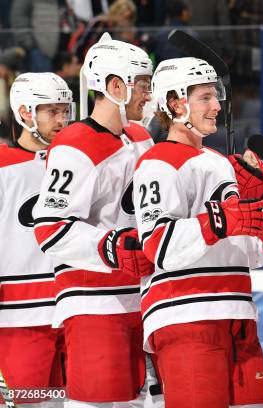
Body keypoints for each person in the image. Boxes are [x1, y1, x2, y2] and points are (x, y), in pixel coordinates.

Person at [134, 56, 263, 407]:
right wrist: (218, 222)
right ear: (175, 102)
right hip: (186, 316)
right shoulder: (157, 163)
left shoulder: (219, 162)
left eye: (216, 96)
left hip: (238, 312)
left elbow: (251, 252)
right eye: (205, 97)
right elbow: (159, 245)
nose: (217, 106)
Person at [32, 33, 156, 406]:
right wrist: (110, 245)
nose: (148, 95)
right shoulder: (75, 143)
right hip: (93, 303)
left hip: (142, 299)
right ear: (116, 87)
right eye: (143, 86)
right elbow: (49, 228)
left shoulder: (141, 136)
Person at [0, 72, 73, 406]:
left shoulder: (76, 161)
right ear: (26, 112)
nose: (61, 120)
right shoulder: (3, 167)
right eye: (51, 111)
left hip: (72, 311)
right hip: (19, 317)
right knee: (29, 402)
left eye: (64, 111)